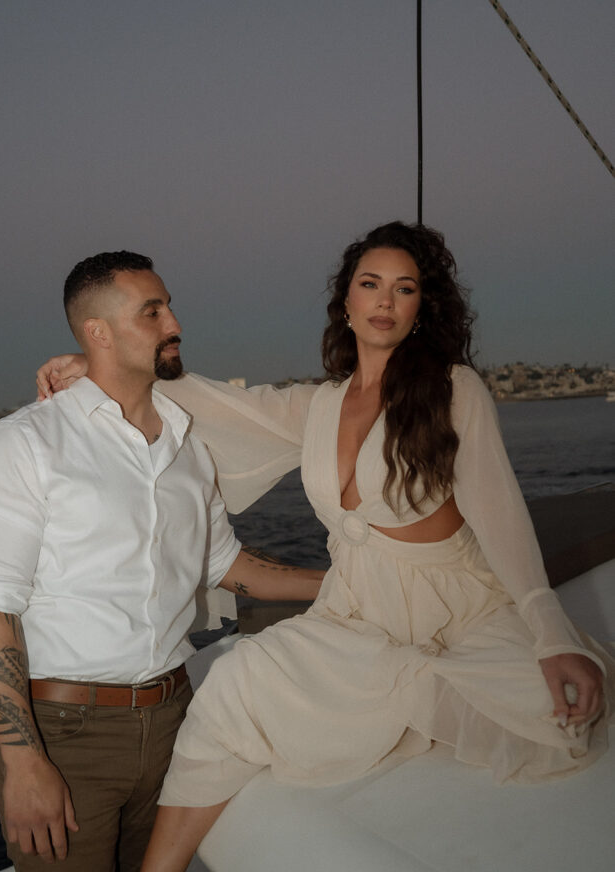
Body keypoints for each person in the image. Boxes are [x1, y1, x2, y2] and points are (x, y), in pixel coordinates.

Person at [36, 225, 613, 872]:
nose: (385, 300)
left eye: (404, 287)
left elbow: (501, 519)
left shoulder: (454, 392)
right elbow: (222, 409)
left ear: (423, 305)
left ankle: (414, 686)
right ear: (346, 303)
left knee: (559, 719)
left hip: (459, 606)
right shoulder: (322, 406)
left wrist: (550, 634)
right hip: (356, 610)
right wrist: (101, 368)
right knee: (233, 686)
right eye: (369, 284)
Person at [0, 250, 324, 872]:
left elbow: (226, 564)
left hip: (177, 724)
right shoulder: (24, 444)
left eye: (169, 306)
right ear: (97, 333)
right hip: (68, 737)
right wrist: (23, 762)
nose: (173, 321)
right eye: (152, 311)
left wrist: (348, 582)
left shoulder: (186, 443)